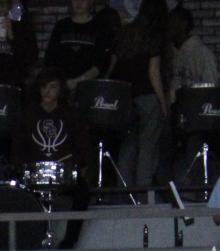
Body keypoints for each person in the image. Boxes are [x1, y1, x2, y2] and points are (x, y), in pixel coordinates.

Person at [110, 0, 167, 187]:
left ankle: (123, 192)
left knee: (128, 146)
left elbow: (113, 65)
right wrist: (163, 103)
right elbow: (154, 73)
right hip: (148, 97)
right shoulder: (153, 35)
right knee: (148, 146)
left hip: (125, 97)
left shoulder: (124, 33)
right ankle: (144, 192)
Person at [45, 0, 118, 92]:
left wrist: (79, 80)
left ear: (91, 2)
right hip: (61, 88)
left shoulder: (100, 27)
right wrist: (61, 82)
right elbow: (50, 58)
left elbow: (102, 62)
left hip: (89, 88)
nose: (78, 3)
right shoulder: (61, 26)